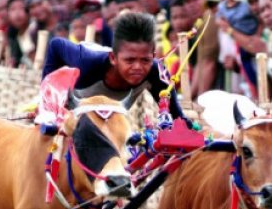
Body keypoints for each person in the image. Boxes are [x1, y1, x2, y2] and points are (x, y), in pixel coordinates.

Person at [42, 11, 190, 126]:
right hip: (70, 109)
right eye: (130, 60)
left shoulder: (155, 71)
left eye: (145, 60)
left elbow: (177, 118)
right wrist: (48, 105)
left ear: (153, 56)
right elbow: (56, 45)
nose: (138, 67)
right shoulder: (86, 62)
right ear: (113, 58)